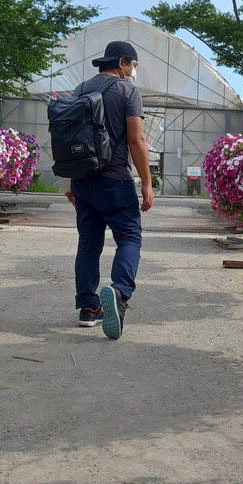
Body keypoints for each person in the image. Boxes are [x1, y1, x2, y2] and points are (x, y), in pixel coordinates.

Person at [65, 40, 154, 339]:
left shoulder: (80, 90)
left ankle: (88, 308)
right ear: (123, 62)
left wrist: (71, 181)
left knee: (89, 243)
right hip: (115, 179)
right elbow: (137, 140)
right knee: (129, 237)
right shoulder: (127, 91)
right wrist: (147, 182)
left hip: (82, 181)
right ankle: (120, 292)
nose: (133, 72)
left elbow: (69, 139)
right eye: (133, 66)